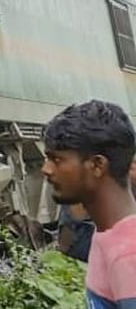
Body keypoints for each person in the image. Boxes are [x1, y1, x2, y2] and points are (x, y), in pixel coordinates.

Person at [42, 100, 136, 308]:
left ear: (97, 165)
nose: (46, 169)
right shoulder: (107, 235)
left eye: (56, 159)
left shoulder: (129, 254)